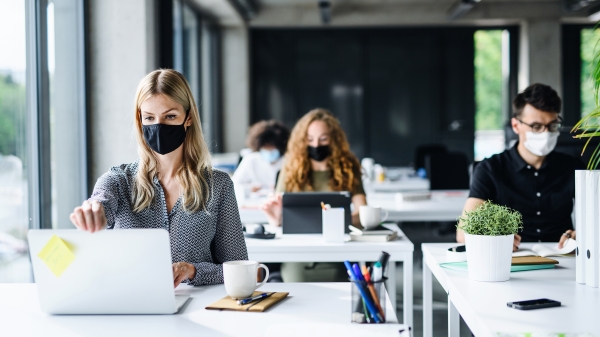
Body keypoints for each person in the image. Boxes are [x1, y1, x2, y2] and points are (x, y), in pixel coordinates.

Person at [69, 69, 248, 287]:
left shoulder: (217, 185)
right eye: (149, 118)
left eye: (170, 116)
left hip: (197, 309)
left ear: (188, 118)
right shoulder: (118, 180)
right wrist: (92, 210)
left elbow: (239, 268)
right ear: (140, 120)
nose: (159, 126)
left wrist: (193, 271)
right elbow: (101, 201)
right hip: (129, 304)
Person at [456, 83, 584, 251]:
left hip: (564, 259)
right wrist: (496, 239)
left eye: (552, 125)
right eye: (536, 126)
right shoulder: (490, 169)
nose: (545, 133)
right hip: (511, 260)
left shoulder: (572, 166)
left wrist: (582, 234)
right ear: (516, 126)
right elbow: (463, 234)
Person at [261, 108, 367, 282]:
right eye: (310, 140)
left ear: (334, 140)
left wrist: (338, 220)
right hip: (299, 256)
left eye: (323, 139)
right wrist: (275, 219)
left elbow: (363, 213)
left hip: (337, 255)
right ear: (302, 141)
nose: (316, 145)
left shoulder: (349, 169)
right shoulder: (290, 171)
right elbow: (280, 215)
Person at [232, 120, 290, 194]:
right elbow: (234, 184)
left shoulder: (289, 160)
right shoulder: (251, 160)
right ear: (259, 146)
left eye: (272, 147)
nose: (269, 151)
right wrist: (249, 188)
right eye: (266, 147)